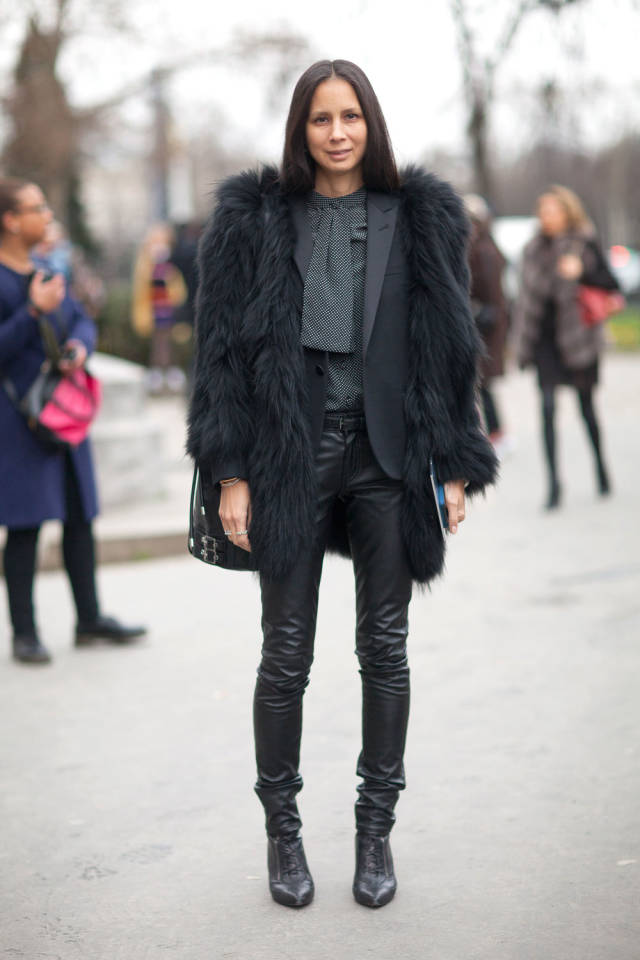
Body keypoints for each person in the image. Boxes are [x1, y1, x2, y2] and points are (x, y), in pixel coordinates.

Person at [187, 60, 497, 909]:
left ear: (371, 124)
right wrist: (229, 471)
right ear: (301, 128)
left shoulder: (421, 214)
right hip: (291, 454)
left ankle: (374, 831)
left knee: (385, 648)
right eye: (321, 118)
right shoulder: (252, 218)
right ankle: (283, 835)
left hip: (387, 456)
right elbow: (219, 357)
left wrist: (454, 462)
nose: (336, 133)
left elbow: (448, 348)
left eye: (350, 116)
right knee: (286, 653)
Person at [0, 177, 147, 664]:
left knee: (80, 516)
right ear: (10, 220)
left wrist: (80, 346)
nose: (47, 216)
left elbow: (80, 318)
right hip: (18, 421)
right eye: (37, 208)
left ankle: (89, 619)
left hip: (62, 416)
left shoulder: (45, 270)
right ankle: (25, 633)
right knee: (24, 526)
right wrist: (31, 312)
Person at [514, 185, 619, 509]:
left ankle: (600, 467)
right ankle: (554, 484)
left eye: (552, 211)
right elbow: (524, 301)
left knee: (587, 408)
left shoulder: (582, 243)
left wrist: (582, 270)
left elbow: (611, 283)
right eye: (542, 211)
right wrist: (522, 343)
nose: (546, 217)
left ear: (567, 213)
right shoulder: (531, 250)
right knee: (546, 409)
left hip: (578, 338)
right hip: (545, 340)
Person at [463, 194, 511, 456]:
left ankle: (497, 434)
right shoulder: (481, 246)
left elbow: (493, 298)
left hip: (485, 330)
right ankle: (494, 433)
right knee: (481, 386)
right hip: (483, 326)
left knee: (483, 385)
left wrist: (477, 311)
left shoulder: (483, 250)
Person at [131, 223, 187, 394]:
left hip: (168, 311)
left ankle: (170, 372)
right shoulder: (145, 267)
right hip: (154, 312)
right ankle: (157, 372)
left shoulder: (171, 267)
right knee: (158, 343)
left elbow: (178, 291)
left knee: (169, 342)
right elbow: (141, 291)